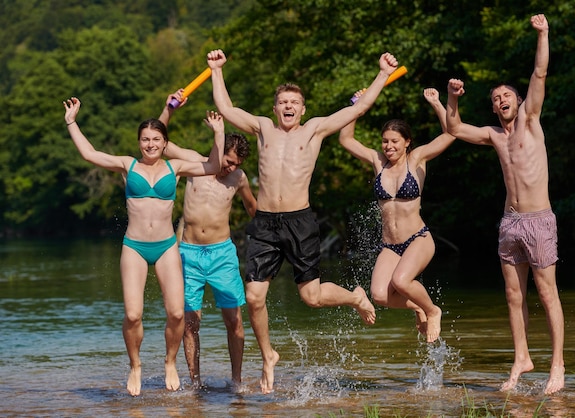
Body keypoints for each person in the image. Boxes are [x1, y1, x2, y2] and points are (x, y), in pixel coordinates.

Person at [206, 48, 399, 394]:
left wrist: (382, 74)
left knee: (311, 296)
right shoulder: (263, 128)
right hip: (265, 223)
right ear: (275, 106)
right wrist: (216, 70)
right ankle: (268, 356)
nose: (289, 107)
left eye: (294, 102)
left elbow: (359, 108)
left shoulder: (314, 129)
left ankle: (355, 297)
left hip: (299, 222)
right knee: (253, 297)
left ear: (303, 108)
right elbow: (227, 109)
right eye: (283, 102)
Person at [63, 97, 223, 396]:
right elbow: (89, 154)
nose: (150, 144)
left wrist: (218, 133)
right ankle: (135, 366)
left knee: (177, 313)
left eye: (156, 139)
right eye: (145, 139)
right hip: (135, 246)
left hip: (165, 247)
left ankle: (170, 362)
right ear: (139, 142)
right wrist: (72, 121)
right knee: (133, 314)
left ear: (165, 142)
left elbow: (214, 165)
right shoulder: (127, 165)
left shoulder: (175, 168)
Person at [445, 14, 565, 395]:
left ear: (518, 100)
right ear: (494, 109)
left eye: (506, 96)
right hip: (510, 224)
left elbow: (540, 73)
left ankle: (558, 365)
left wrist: (543, 33)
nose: (501, 101)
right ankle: (521, 358)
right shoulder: (494, 136)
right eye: (496, 99)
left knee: (547, 294)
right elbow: (453, 128)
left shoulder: (531, 120)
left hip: (539, 220)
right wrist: (451, 97)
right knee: (514, 296)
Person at [339, 88, 455, 343]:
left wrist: (437, 103)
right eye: (385, 141)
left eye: (394, 141)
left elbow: (451, 133)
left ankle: (433, 310)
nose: (388, 146)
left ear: (407, 142)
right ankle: (417, 306)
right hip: (390, 246)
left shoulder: (417, 159)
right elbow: (346, 139)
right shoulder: (377, 161)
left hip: (418, 239)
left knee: (401, 281)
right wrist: (356, 104)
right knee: (379, 295)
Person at [158, 90, 257, 391]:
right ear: (218, 150)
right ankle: (195, 384)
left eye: (235, 163)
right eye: (227, 161)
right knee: (189, 323)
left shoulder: (238, 178)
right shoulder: (194, 163)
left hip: (222, 255)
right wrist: (168, 109)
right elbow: (161, 145)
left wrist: (268, 232)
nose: (229, 167)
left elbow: (253, 209)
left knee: (234, 320)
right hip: (188, 253)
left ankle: (237, 382)